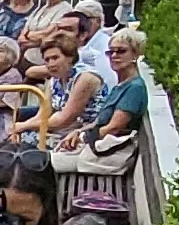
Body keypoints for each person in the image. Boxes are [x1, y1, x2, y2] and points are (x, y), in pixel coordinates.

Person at [54, 28, 149, 167]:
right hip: (97, 146)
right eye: (111, 52)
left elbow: (113, 127)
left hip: (108, 153)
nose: (114, 56)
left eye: (121, 51)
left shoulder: (135, 88)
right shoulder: (120, 85)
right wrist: (78, 132)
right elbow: (99, 122)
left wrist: (83, 137)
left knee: (42, 162)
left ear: (135, 54)